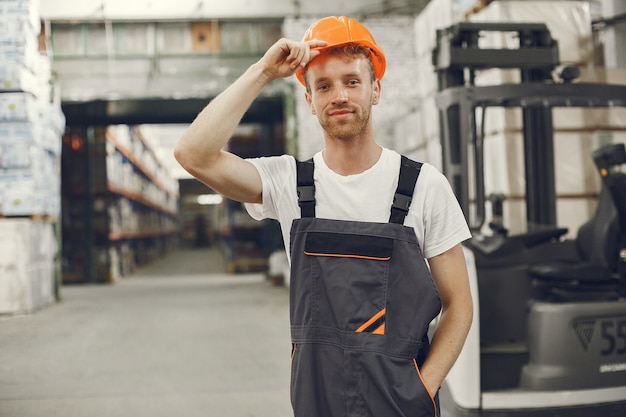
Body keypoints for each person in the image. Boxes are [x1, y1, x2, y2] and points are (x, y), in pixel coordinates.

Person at [174, 15, 473, 417]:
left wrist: (423, 388)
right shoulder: (289, 184)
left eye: (352, 81)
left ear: (375, 90)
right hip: (317, 403)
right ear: (309, 100)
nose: (340, 96)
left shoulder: (422, 186)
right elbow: (193, 155)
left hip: (401, 405)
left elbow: (460, 304)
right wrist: (262, 72)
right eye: (324, 86)